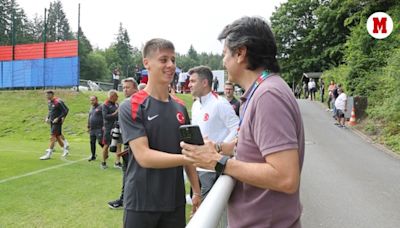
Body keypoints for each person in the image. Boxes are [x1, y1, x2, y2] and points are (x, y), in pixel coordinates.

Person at [181, 16, 305, 228]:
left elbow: (286, 177)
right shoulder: (263, 91)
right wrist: (218, 149)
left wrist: (218, 162)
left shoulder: (268, 96)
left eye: (224, 54)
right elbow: (254, 148)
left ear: (240, 53)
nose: (223, 62)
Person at [118, 38, 201, 227]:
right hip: (141, 203)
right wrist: (189, 158)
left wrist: (196, 191)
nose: (171, 65)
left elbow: (187, 150)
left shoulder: (180, 106)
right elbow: (144, 156)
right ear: (147, 63)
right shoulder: (131, 105)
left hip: (175, 203)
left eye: (173, 60)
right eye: (164, 60)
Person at [188, 66, 239, 197]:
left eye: (193, 81)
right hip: (196, 166)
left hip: (212, 167)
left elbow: (237, 127)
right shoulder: (195, 105)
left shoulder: (220, 103)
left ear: (204, 83)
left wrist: (220, 148)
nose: (189, 85)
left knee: (210, 211)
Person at [108, 78, 138, 209]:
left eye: (128, 87)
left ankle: (125, 200)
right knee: (128, 174)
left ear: (135, 88)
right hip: (128, 144)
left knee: (130, 175)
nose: (125, 90)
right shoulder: (125, 104)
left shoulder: (137, 103)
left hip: (135, 145)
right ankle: (124, 199)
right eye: (123, 87)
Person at [40, 90, 70, 160]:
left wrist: (59, 118)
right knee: (58, 137)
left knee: (52, 137)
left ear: (51, 95)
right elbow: (50, 111)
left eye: (47, 95)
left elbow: (66, 111)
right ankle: (65, 150)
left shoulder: (58, 102)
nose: (46, 96)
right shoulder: (49, 102)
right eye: (46, 95)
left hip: (57, 123)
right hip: (52, 122)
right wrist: (47, 118)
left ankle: (49, 154)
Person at [101, 89, 121, 169]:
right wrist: (115, 113)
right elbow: (105, 117)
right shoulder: (105, 105)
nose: (117, 98)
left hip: (117, 127)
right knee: (106, 145)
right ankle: (103, 162)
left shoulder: (116, 104)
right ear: (112, 96)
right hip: (108, 128)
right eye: (116, 96)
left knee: (119, 144)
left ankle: (117, 162)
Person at [87, 95, 104, 161]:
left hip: (99, 128)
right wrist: (88, 126)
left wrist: (104, 125)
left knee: (100, 141)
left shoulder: (101, 107)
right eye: (91, 100)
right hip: (92, 128)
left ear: (97, 100)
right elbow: (89, 117)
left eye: (93, 100)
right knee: (92, 142)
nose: (92, 101)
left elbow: (105, 116)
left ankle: (105, 150)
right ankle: (93, 155)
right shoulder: (91, 108)